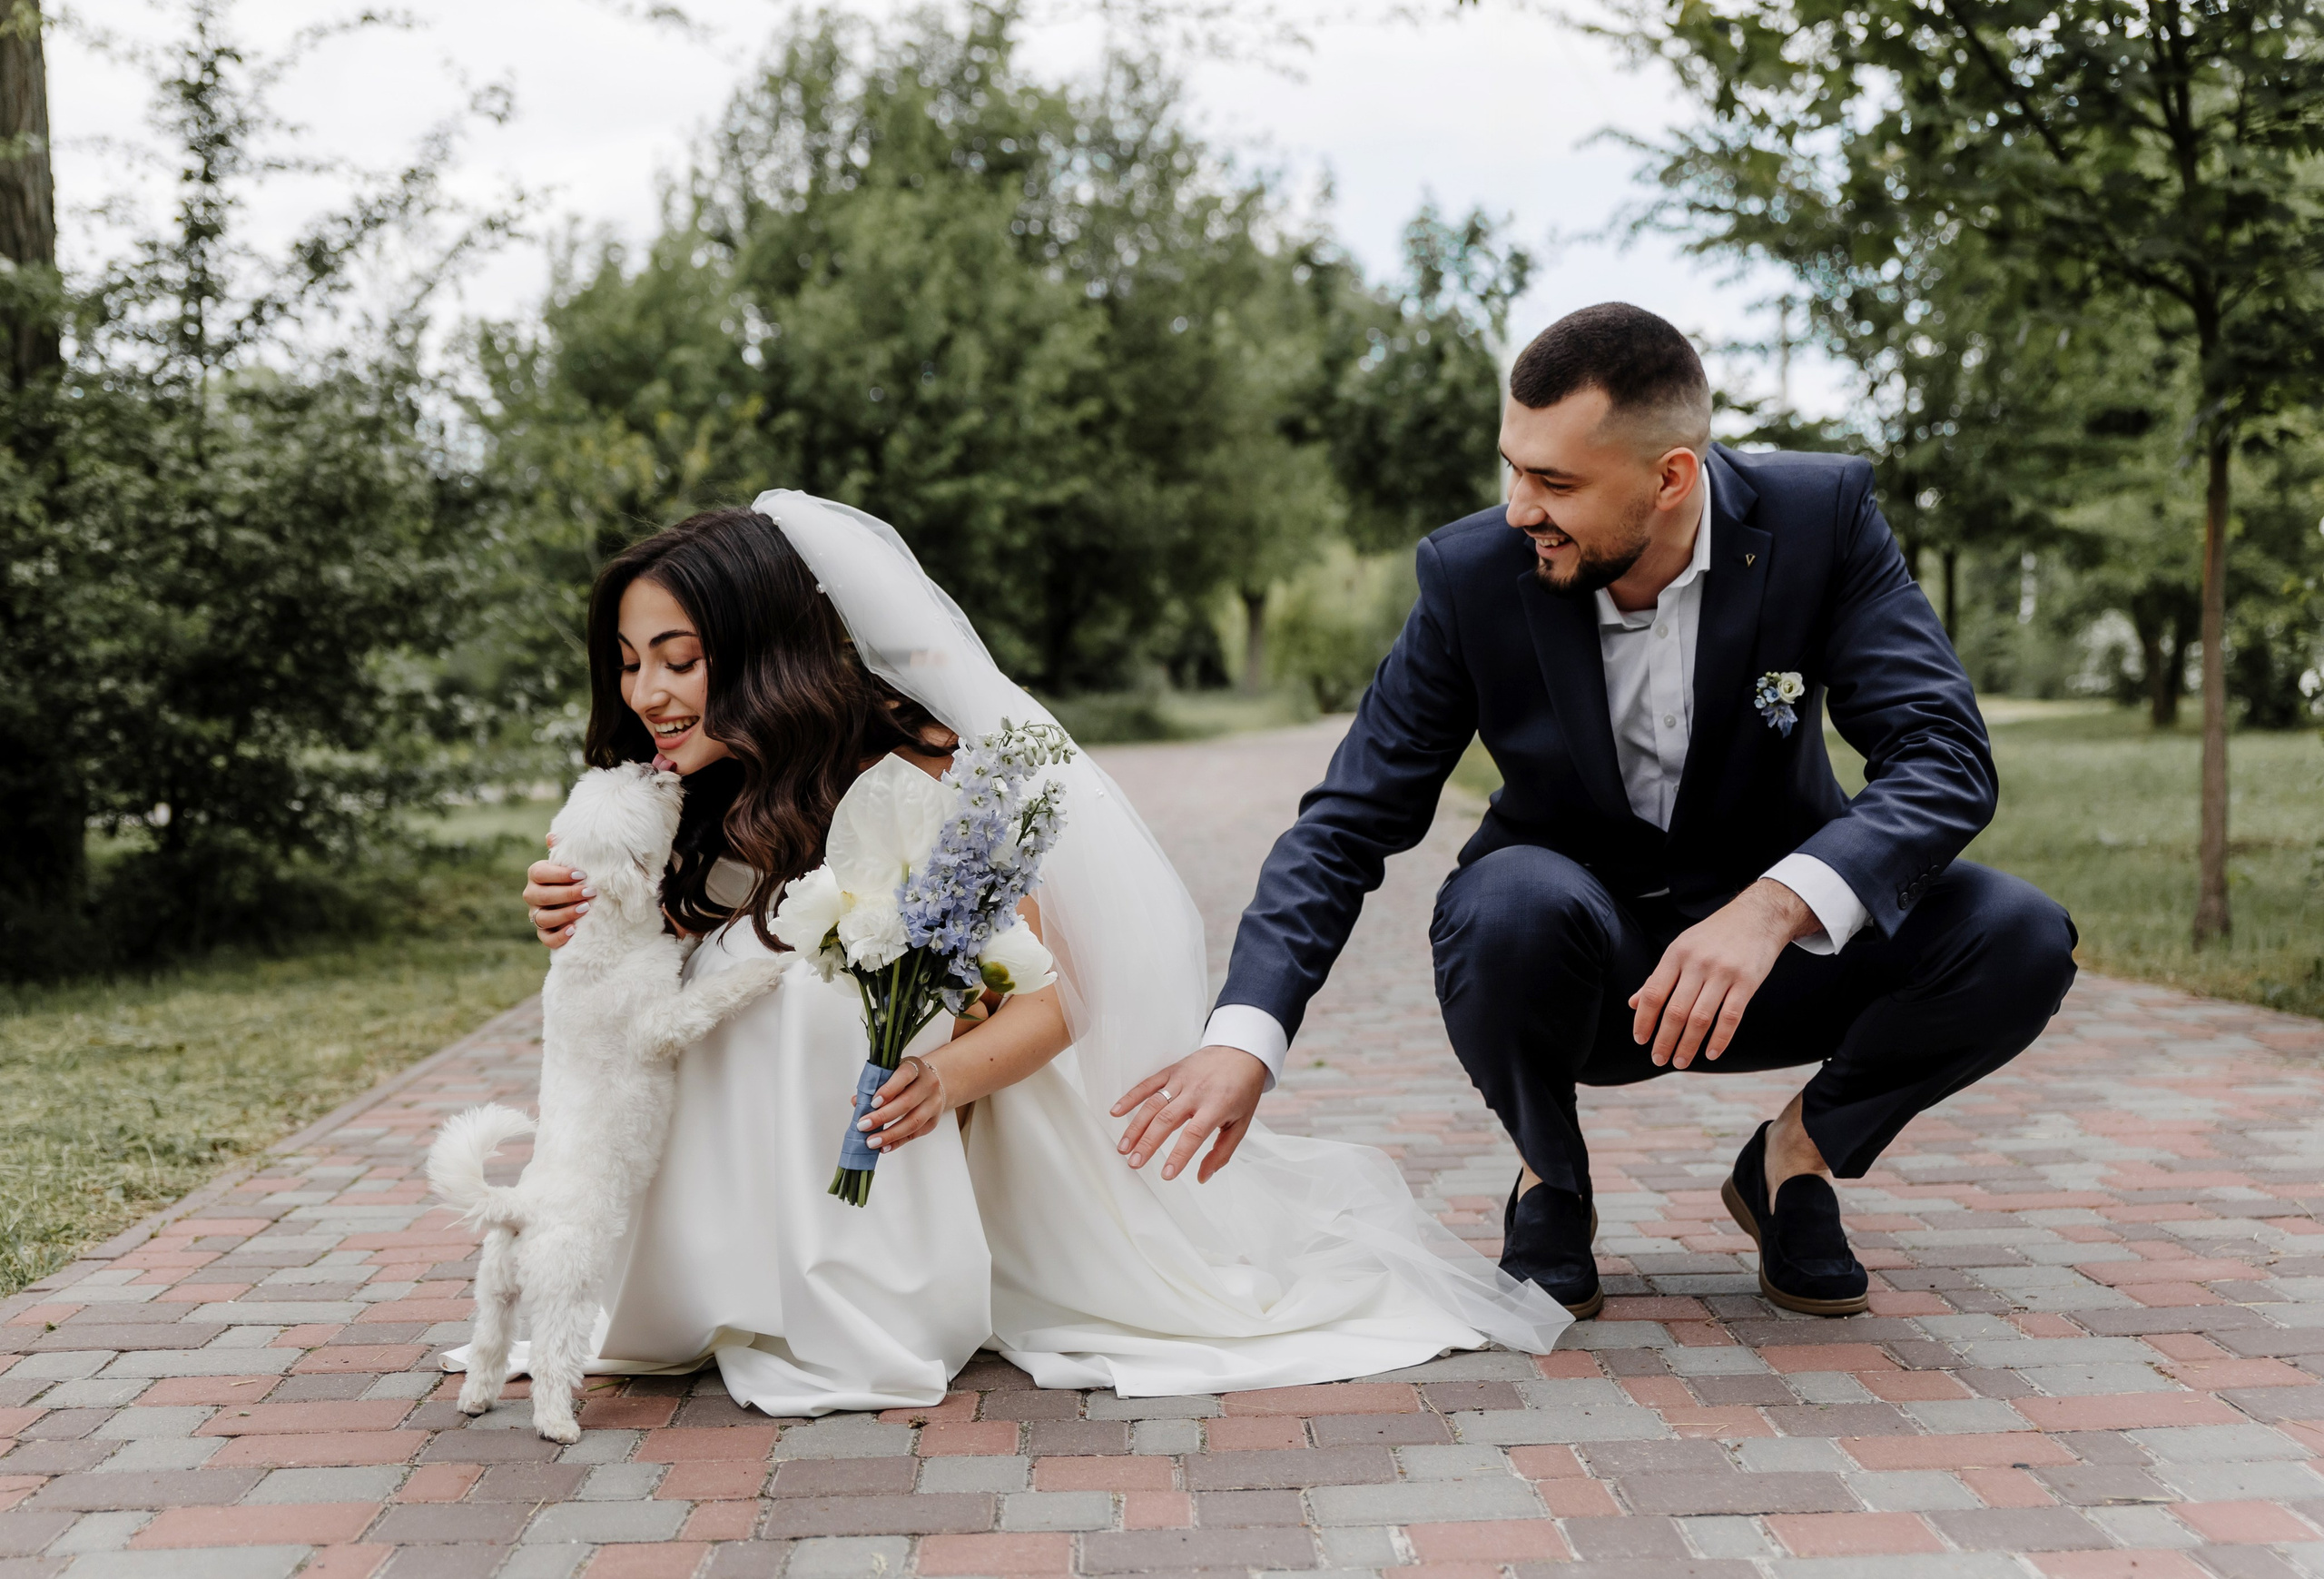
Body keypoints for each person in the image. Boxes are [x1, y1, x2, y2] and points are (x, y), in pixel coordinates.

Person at [502, 498, 1568, 1416]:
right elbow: (637, 982)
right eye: (632, 661)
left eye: (681, 660)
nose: (648, 692)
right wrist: (572, 914)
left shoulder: (921, 764)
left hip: (953, 1114)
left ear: (765, 650)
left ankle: (842, 1285)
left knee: (814, 998)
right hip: (764, 1146)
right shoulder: (667, 787)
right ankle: (711, 1277)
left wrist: (940, 1074)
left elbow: (1062, 998)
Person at [1119, 302, 2079, 1320]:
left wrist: (1771, 908)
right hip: (1583, 967)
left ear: (1671, 477)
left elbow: (1942, 755)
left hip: (1775, 961)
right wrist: (1245, 1033)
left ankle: (1795, 1161)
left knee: (2019, 934)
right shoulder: (1470, 573)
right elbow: (1348, 818)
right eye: (1513, 467)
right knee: (1506, 902)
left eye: (1555, 482)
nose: (1518, 507)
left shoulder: (1821, 519)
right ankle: (1550, 1178)